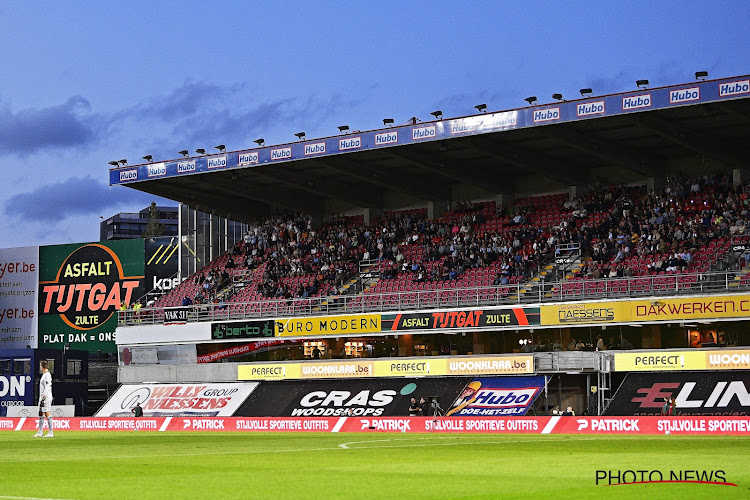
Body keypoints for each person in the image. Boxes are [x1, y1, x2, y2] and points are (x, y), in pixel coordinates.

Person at [33, 361, 53, 438]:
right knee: (41, 413)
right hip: (42, 397)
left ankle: (51, 432)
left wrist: (45, 394)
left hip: (46, 397)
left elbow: (48, 385)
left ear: (42, 367)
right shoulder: (44, 375)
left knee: (47, 412)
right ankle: (40, 432)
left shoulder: (47, 375)